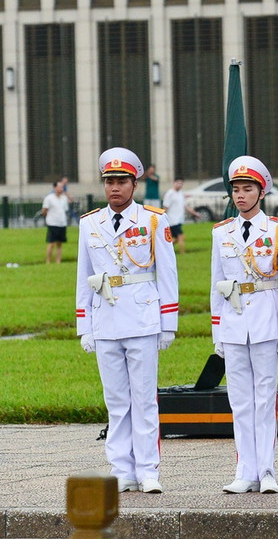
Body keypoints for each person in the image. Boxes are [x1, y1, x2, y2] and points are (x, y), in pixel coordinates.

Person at [75, 147, 178, 494]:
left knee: (144, 399)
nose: (115, 188)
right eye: (109, 182)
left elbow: (167, 274)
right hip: (105, 318)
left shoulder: (153, 220)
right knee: (116, 401)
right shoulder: (90, 223)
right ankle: (121, 469)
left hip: (142, 316)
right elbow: (83, 277)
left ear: (135, 184)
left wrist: (168, 322)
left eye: (121, 181)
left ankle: (148, 470)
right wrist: (84, 325)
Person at [211, 156, 278, 494]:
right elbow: (216, 285)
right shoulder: (222, 232)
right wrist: (217, 331)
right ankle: (244, 470)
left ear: (261, 192)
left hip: (266, 316)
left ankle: (266, 470)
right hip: (234, 320)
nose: (240, 195)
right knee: (239, 401)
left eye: (247, 189)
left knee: (264, 399)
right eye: (236, 189)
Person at [162, 177, 202, 254]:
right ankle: (182, 253)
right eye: (178, 183)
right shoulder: (170, 194)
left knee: (176, 238)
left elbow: (185, 206)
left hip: (179, 219)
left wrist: (195, 213)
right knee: (181, 236)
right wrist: (161, 217)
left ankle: (165, 250)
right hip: (172, 220)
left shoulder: (180, 193)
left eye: (181, 183)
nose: (179, 185)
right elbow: (165, 207)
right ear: (174, 183)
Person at [42, 179, 71, 263]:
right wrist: (48, 217)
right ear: (55, 188)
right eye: (60, 187)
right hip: (52, 223)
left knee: (59, 244)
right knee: (51, 243)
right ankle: (48, 261)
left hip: (62, 223)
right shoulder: (49, 198)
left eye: (62, 187)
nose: (61, 188)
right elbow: (44, 210)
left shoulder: (64, 198)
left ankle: (58, 261)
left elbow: (65, 210)